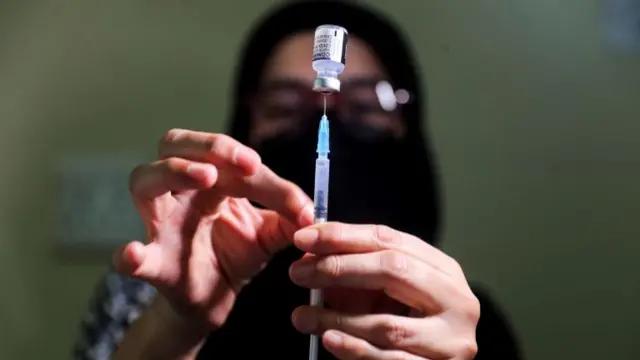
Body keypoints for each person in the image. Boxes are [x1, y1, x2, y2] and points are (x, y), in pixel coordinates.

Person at [72, 1, 522, 359]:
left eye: (366, 106)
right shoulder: (148, 295)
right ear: (244, 126)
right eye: (284, 109)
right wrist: (175, 326)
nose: (324, 120)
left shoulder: (458, 323)